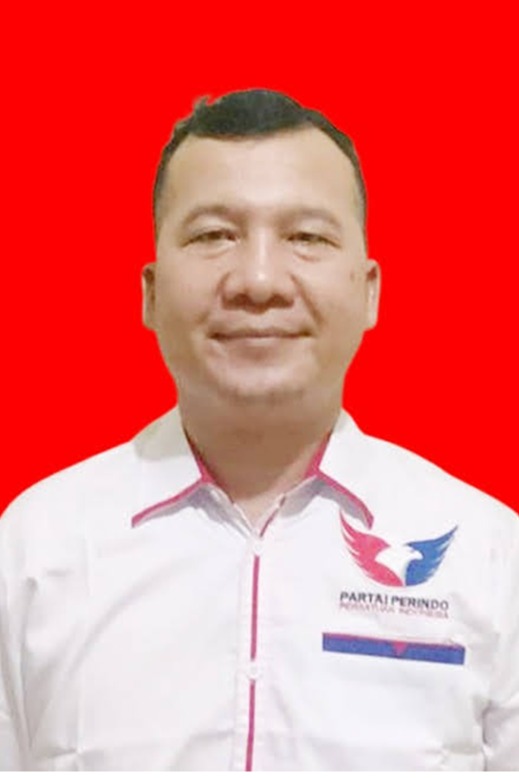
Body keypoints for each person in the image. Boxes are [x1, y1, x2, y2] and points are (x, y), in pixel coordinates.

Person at [0, 89, 517, 771]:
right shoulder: (31, 551)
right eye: (214, 235)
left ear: (369, 291)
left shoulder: (490, 556)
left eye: (306, 237)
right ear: (150, 292)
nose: (259, 280)